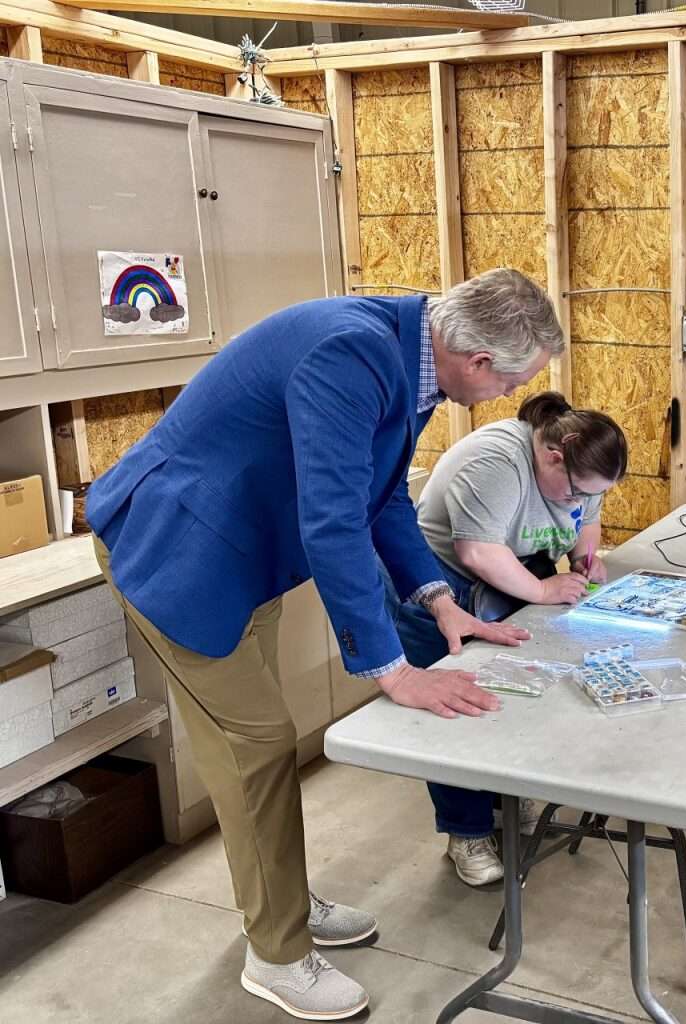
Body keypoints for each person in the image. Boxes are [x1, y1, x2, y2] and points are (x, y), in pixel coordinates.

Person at [85, 268, 563, 1021]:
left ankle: (283, 901)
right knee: (259, 749)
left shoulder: (410, 352)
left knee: (255, 754)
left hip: (241, 555)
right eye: (515, 381)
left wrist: (438, 601)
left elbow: (381, 496)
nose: (511, 397)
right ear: (477, 361)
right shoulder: (352, 354)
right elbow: (334, 521)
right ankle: (276, 954)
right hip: (178, 552)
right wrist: (390, 669)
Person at [383, 390, 627, 885]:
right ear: (554, 455)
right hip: (441, 588)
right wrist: (542, 587)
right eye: (576, 490)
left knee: (517, 690)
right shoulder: (496, 461)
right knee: (457, 708)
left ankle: (506, 799)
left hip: (509, 577)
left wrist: (584, 559)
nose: (579, 500)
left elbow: (588, 520)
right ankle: (466, 832)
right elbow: (476, 553)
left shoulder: (581, 468)